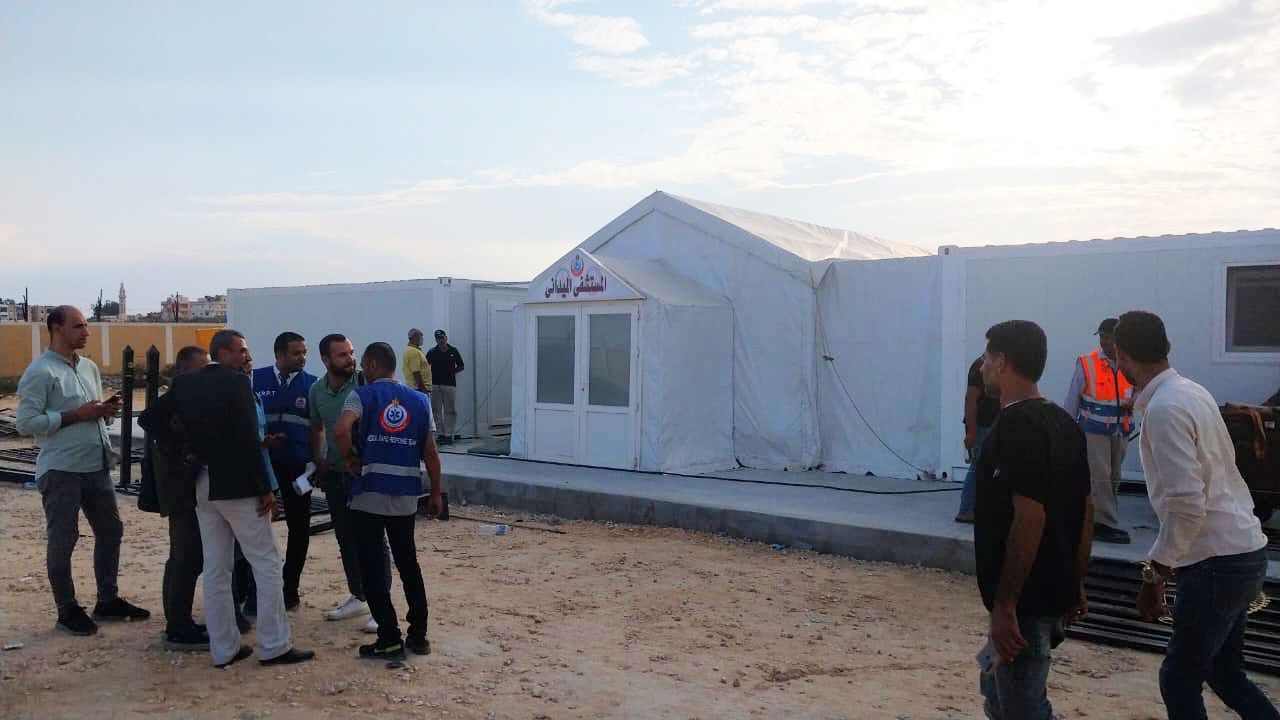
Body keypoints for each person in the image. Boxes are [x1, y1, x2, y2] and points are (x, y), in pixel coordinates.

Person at [1115, 311, 1278, 720]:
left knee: (1179, 678)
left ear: (1122, 355)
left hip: (1215, 562)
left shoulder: (1165, 409)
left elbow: (1187, 504)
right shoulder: (1192, 392)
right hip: (1243, 550)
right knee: (1224, 671)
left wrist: (1155, 574)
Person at [152, 329, 313, 668]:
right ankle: (274, 645)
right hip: (239, 485)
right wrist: (265, 488)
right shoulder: (237, 383)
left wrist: (189, 450)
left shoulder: (186, 384)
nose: (247, 357)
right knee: (266, 562)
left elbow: (151, 419)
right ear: (222, 353)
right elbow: (247, 437)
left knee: (216, 567)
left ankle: (224, 648)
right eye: (241, 351)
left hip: (204, 483)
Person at [974, 320, 1093, 720]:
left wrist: (1006, 603)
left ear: (1002, 362)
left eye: (986, 358)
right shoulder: (1065, 424)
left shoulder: (1015, 427)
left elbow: (1029, 517)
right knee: (997, 695)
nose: (982, 367)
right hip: (1050, 588)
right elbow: (1086, 510)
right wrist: (1075, 580)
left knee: (1024, 707)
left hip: (1026, 600)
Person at [15, 305, 149, 636]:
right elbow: (26, 423)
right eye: (78, 326)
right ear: (56, 328)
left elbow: (90, 413)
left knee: (111, 531)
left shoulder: (88, 367)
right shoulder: (40, 371)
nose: (86, 332)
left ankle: (107, 600)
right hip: (62, 469)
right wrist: (78, 415)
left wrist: (103, 411)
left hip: (96, 465)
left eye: (86, 325)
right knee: (64, 538)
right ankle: (67, 609)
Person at [335, 342, 443, 661]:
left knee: (372, 566)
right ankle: (419, 636)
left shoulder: (361, 396)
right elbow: (431, 453)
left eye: (363, 364)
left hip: (368, 494)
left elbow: (341, 430)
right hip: (405, 495)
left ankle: (389, 638)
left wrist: (350, 459)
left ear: (370, 364)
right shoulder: (420, 400)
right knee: (408, 563)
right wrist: (436, 492)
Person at [309, 333, 390, 631]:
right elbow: (317, 427)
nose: (350, 359)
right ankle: (359, 595)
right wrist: (318, 459)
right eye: (342, 355)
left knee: (375, 540)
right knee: (345, 539)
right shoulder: (317, 390)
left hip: (365, 475)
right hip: (335, 475)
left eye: (351, 353)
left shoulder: (366, 384)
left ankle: (381, 606)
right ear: (326, 359)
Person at [138, 345, 210, 650]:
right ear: (183, 371)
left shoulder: (187, 396)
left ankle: (178, 620)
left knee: (184, 555)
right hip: (180, 488)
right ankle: (178, 627)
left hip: (181, 485)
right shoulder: (177, 397)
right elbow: (148, 420)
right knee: (187, 555)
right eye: (201, 368)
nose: (206, 375)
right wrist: (185, 453)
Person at [252, 331, 318, 610]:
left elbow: (318, 429)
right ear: (279, 354)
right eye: (296, 353)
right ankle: (253, 591)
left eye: (304, 353)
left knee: (299, 527)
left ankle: (290, 588)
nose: (302, 358)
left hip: (297, 469)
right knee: (255, 527)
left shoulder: (312, 385)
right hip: (262, 467)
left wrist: (315, 463)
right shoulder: (255, 380)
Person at [1064, 318, 1135, 545]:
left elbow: (1140, 390)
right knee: (1100, 475)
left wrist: (1135, 402)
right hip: (1094, 430)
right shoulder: (1087, 363)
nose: (1104, 341)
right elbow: (1073, 398)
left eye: (1109, 337)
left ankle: (1102, 519)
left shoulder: (1130, 362)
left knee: (1114, 475)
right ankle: (1103, 524)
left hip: (1120, 429)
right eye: (1102, 336)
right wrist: (1067, 429)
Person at [956, 356, 1000, 524]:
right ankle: (966, 510)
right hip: (983, 425)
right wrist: (971, 433)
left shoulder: (996, 364)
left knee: (987, 467)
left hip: (992, 424)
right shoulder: (980, 367)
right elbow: (970, 400)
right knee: (978, 466)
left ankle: (979, 507)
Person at [426, 329, 464, 444]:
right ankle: (440, 434)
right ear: (436, 340)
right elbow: (425, 366)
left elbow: (461, 365)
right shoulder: (432, 352)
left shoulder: (453, 351)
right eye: (438, 338)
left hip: (449, 384)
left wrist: (451, 372)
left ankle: (448, 434)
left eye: (442, 338)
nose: (440, 340)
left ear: (446, 338)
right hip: (435, 384)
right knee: (435, 410)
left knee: (450, 410)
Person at [403, 328, 432, 395]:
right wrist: (423, 390)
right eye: (420, 336)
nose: (422, 339)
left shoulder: (413, 350)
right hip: (418, 389)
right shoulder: (413, 352)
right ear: (414, 337)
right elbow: (416, 373)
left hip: (417, 389)